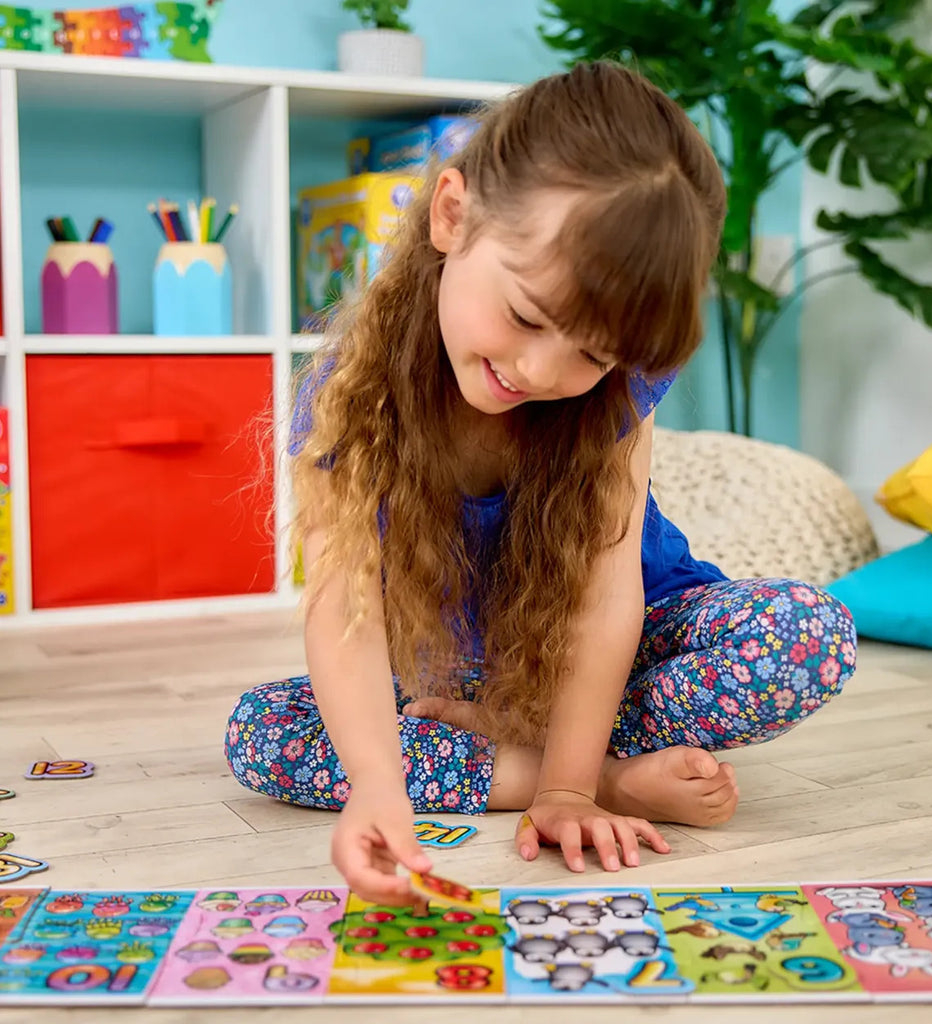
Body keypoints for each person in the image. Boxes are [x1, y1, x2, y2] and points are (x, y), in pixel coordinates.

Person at [225, 62, 857, 906]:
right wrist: (378, 786)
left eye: (594, 354)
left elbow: (605, 598)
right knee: (263, 734)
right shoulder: (350, 392)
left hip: (610, 656)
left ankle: (550, 762)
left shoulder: (622, 392)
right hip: (454, 683)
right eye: (527, 316)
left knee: (807, 635)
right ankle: (616, 775)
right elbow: (344, 611)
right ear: (453, 216)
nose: (543, 370)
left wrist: (567, 791)